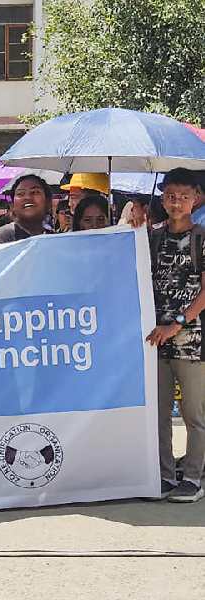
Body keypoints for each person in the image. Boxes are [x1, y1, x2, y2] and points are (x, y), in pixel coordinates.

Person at [144, 168, 205, 503]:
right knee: (159, 410)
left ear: (195, 198)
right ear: (162, 197)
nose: (176, 202)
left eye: (183, 196)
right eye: (170, 195)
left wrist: (177, 323)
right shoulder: (150, 237)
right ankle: (165, 475)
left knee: (194, 414)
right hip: (155, 339)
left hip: (193, 340)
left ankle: (194, 478)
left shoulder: (202, 237)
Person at [0, 175, 52, 244]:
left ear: (47, 201)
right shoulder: (5, 236)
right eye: (20, 193)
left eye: (35, 192)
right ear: (13, 204)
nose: (27, 197)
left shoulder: (52, 236)